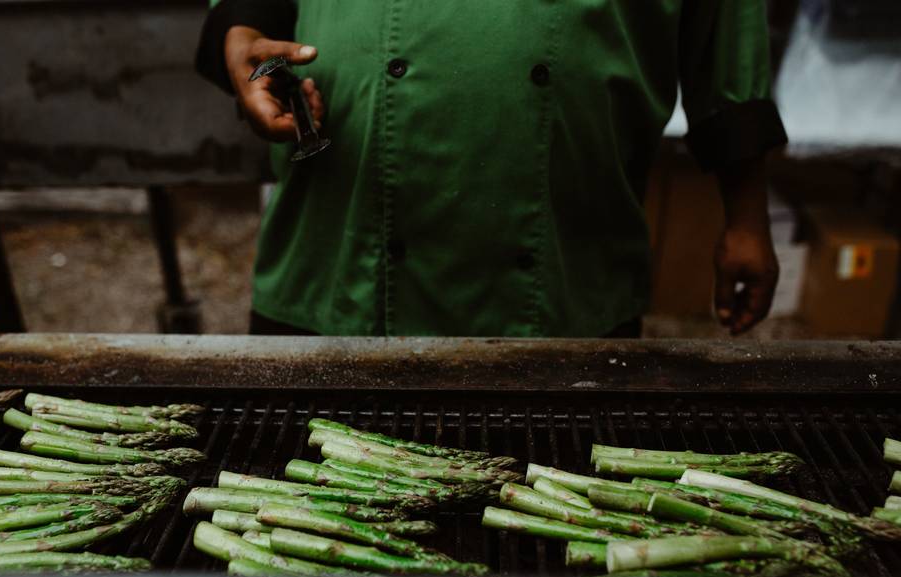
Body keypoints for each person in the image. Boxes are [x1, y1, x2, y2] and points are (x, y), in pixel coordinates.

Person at [196, 1, 787, 337]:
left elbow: (726, 34)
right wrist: (244, 41)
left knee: (553, 519)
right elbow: (254, 23)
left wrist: (747, 215)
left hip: (565, 271)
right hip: (337, 262)